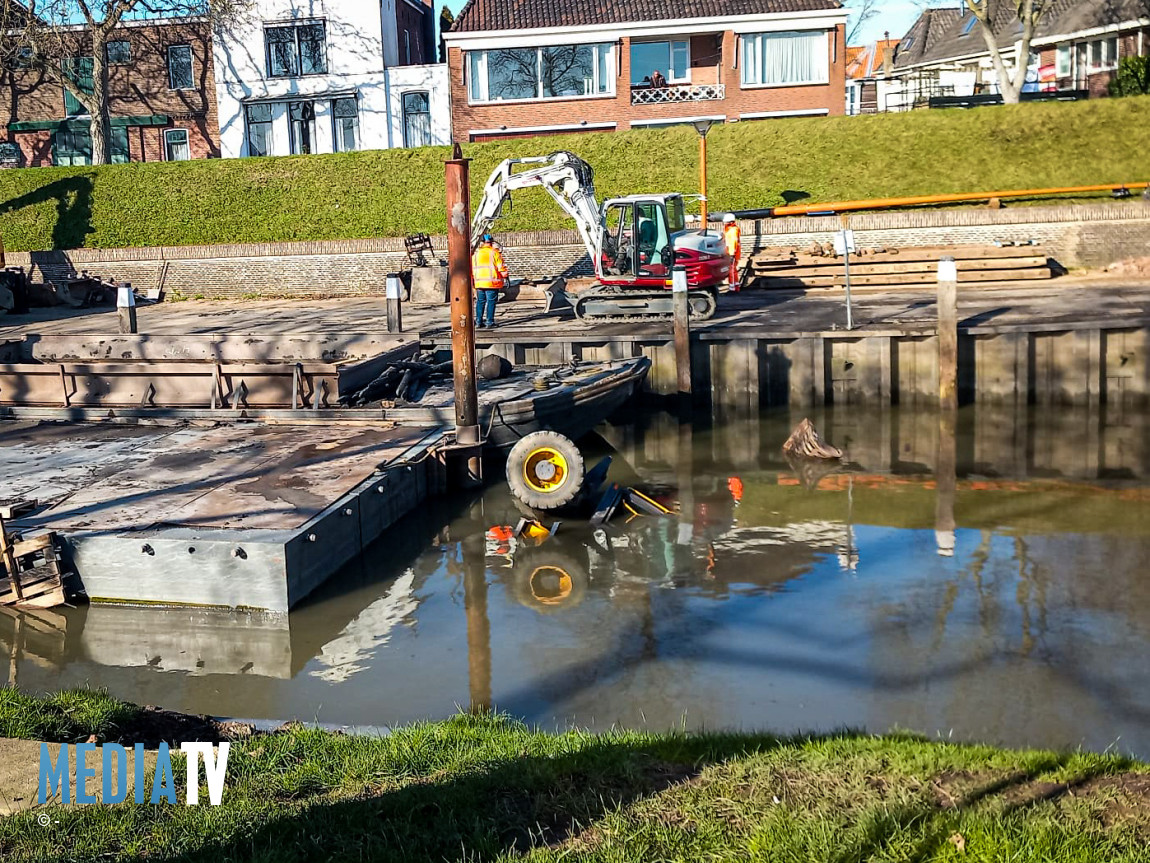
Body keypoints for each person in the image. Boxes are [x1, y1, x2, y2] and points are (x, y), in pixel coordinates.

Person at [471, 232, 507, 328]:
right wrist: (505, 275)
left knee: (480, 302)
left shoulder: (476, 254)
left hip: (479, 283)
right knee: (491, 302)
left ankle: (478, 322)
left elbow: (471, 268)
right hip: (491, 283)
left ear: (482, 242)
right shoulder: (494, 253)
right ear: (491, 242)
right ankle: (489, 322)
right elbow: (501, 268)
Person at [722, 214, 741, 291]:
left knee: (731, 271)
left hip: (731, 253)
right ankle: (736, 286)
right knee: (733, 270)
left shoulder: (732, 230)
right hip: (731, 252)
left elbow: (733, 242)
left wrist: (732, 254)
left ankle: (732, 288)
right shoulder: (731, 229)